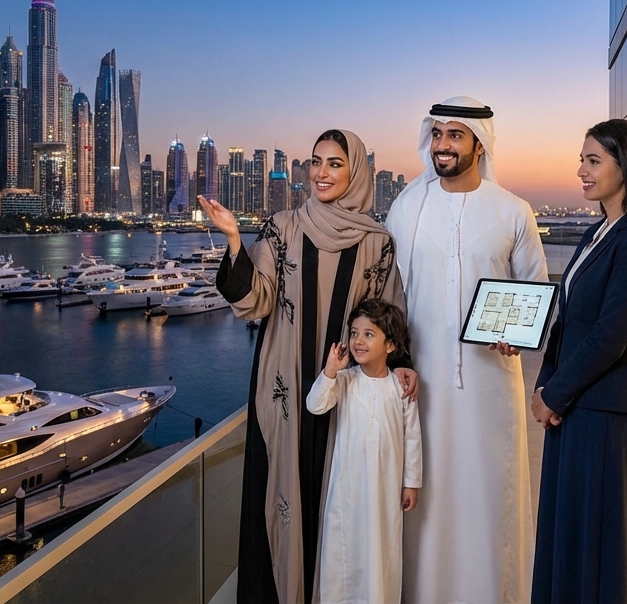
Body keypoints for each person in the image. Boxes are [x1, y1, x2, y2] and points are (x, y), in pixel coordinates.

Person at [201, 128, 416, 604]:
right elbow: (255, 300)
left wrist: (401, 364)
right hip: (283, 385)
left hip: (348, 395)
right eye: (315, 162)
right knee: (279, 491)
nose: (321, 173)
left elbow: (388, 316)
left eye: (335, 164)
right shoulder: (282, 228)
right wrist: (235, 238)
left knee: (335, 497)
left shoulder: (377, 243)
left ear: (356, 171)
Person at [384, 96, 549, 604]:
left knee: (488, 496)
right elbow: (390, 295)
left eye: (455, 135)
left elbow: (535, 293)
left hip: (491, 384)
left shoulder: (513, 210)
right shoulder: (407, 206)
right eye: (437, 135)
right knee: (423, 496)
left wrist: (517, 335)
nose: (443, 146)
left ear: (480, 144)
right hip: (420, 382)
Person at [530, 119, 627, 604]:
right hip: (577, 411)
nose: (581, 171)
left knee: (605, 542)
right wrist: (546, 384)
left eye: (593, 161)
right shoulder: (600, 231)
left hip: (610, 417)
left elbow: (610, 336)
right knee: (572, 534)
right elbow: (568, 320)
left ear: (626, 166)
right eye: (582, 160)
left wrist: (553, 393)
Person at [306, 299, 422, 604]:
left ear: (391, 345)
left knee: (381, 548)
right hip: (348, 490)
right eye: (354, 333)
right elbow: (315, 405)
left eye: (369, 334)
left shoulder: (401, 388)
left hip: (385, 489)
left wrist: (411, 482)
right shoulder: (345, 381)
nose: (358, 340)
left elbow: (412, 437)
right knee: (345, 549)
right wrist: (331, 370)